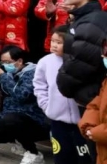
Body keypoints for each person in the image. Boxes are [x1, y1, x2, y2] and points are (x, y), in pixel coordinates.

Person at [0, 46, 48, 164]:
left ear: (19, 61)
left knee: (12, 119)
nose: (5, 65)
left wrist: (3, 76)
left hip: (34, 119)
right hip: (7, 116)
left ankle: (33, 153)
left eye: (8, 62)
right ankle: (20, 141)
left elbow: (22, 95)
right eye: (2, 62)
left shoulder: (34, 73)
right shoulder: (6, 73)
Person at [34, 26, 92, 164]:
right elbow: (39, 86)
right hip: (58, 121)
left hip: (82, 121)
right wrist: (46, 106)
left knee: (85, 157)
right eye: (53, 41)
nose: (54, 45)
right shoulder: (45, 62)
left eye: (59, 42)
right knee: (62, 156)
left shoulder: (80, 62)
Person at [58, 0, 107, 108]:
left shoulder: (91, 21)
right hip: (87, 90)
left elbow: (83, 61)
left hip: (91, 93)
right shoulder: (84, 17)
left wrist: (63, 83)